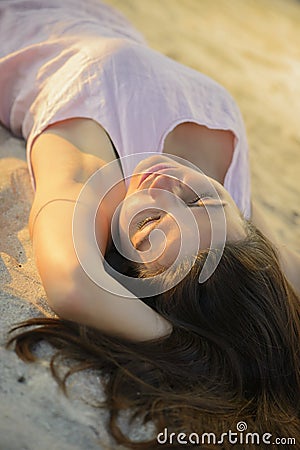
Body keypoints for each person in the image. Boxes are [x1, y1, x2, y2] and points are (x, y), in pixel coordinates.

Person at [1, 1, 299, 448]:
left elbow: (73, 285)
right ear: (248, 225)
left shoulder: (92, 159)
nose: (165, 185)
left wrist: (185, 347)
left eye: (152, 225)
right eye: (202, 200)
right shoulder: (241, 223)